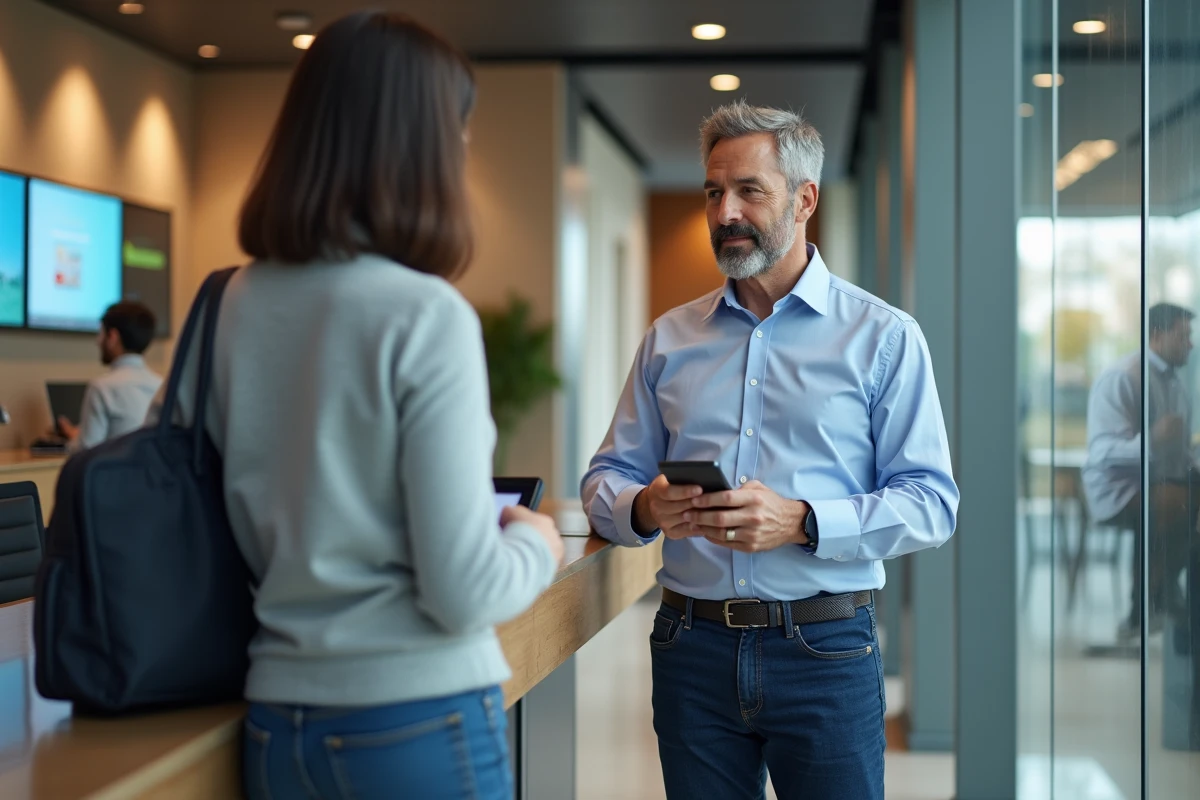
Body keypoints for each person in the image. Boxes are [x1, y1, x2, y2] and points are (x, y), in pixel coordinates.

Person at [154, 12, 564, 800]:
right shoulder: (423, 312)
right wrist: (538, 545)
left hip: (276, 720)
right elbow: (465, 589)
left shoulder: (226, 304)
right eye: (460, 131)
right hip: (414, 715)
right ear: (423, 144)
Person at [581, 101, 959, 800]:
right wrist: (644, 506)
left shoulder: (883, 336)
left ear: (804, 199)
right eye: (713, 191)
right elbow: (607, 476)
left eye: (749, 191)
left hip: (826, 650)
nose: (726, 211)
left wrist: (803, 521)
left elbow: (932, 503)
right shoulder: (669, 339)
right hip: (690, 650)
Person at [1083, 302, 1197, 640]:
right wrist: (1153, 440)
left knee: (1188, 497)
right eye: (1183, 336)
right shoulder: (1123, 377)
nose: (1191, 344)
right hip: (1117, 489)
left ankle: (1154, 597)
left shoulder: (1175, 385)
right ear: (1158, 335)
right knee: (1184, 502)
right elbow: (1101, 453)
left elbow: (1176, 454)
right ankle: (1151, 600)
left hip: (1155, 483)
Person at [57, 301, 162, 451]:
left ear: (112, 337)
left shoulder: (102, 388)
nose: (97, 342)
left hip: (115, 474)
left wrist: (74, 439)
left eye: (100, 333)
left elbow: (87, 451)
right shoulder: (161, 385)